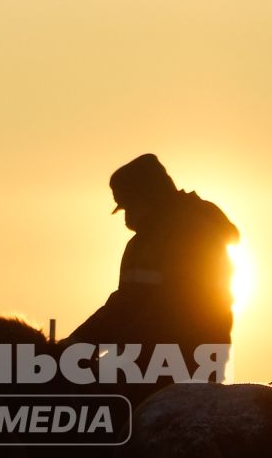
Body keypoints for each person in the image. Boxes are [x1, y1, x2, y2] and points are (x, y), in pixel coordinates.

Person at [71, 153, 238, 382]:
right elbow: (124, 302)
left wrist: (117, 349)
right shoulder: (144, 241)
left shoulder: (192, 232)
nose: (127, 216)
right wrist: (80, 341)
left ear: (148, 198)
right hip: (149, 356)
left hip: (183, 360)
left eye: (129, 205)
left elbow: (175, 305)